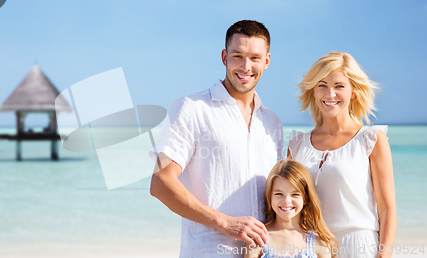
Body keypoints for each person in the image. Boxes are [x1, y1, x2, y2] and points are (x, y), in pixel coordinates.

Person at [149, 20, 284, 257]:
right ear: (224, 57)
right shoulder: (191, 108)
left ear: (267, 61)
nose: (245, 66)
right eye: (237, 56)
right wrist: (225, 222)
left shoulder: (272, 122)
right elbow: (160, 182)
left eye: (254, 58)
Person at [288, 52, 397, 258]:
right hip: (310, 247)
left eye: (339, 86)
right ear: (313, 91)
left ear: (353, 91)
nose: (330, 94)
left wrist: (384, 256)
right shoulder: (296, 145)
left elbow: (387, 210)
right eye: (322, 85)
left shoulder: (371, 139)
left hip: (358, 246)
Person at [244, 159, 336, 258]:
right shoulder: (257, 241)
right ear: (269, 197)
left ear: (305, 198)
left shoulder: (320, 244)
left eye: (295, 194)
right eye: (279, 194)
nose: (286, 201)